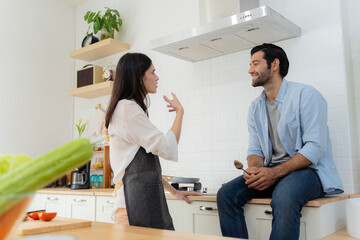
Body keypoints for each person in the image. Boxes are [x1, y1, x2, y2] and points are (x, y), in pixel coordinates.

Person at [216, 43, 344, 240]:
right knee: (226, 194)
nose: (250, 70)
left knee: (284, 197)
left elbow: (315, 148)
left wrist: (274, 172)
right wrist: (255, 169)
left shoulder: (306, 95)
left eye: (255, 63)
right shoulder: (255, 108)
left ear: (274, 65)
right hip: (273, 172)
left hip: (309, 172)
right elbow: (255, 149)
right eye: (250, 64)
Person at [105, 52, 201, 230]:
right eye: (153, 72)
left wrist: (174, 191)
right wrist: (180, 112)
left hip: (140, 201)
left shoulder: (127, 108)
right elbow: (166, 148)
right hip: (132, 206)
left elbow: (145, 170)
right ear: (138, 76)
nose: (157, 77)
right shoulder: (127, 108)